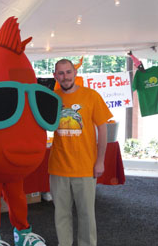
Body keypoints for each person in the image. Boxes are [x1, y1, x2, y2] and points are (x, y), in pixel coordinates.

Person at [48, 59, 113, 246]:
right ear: (55, 76)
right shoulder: (52, 98)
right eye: (61, 73)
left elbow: (103, 129)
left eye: (68, 72)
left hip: (85, 166)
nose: (65, 77)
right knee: (61, 214)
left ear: (75, 73)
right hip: (58, 167)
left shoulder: (91, 96)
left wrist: (100, 161)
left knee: (86, 215)